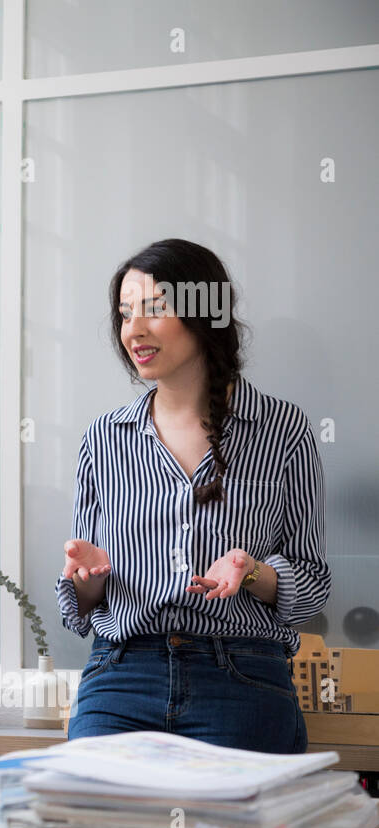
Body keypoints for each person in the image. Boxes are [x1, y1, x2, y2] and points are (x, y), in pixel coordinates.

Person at [57, 238, 331, 754]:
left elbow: (312, 585)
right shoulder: (104, 437)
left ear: (205, 314)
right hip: (121, 675)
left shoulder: (284, 430)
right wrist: (88, 579)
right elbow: (82, 608)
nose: (133, 330)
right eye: (124, 314)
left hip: (242, 676)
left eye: (154, 310)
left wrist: (253, 572)